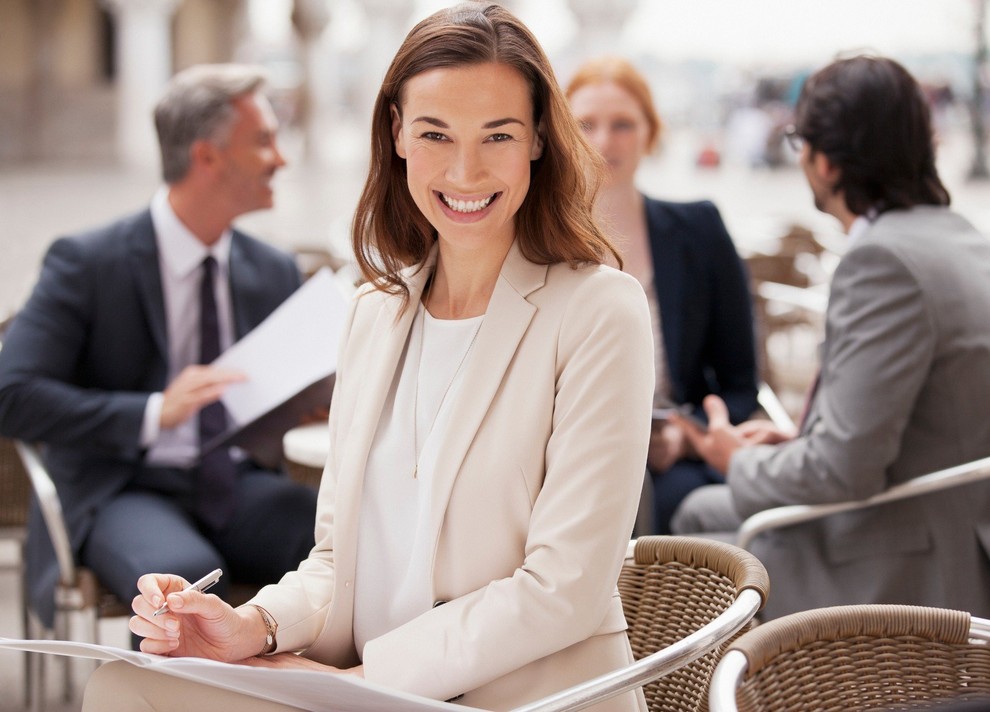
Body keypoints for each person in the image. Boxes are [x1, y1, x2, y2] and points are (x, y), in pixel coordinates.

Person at [82, 3, 654, 711]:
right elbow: (335, 561)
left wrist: (358, 682)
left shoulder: (601, 311)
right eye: (435, 133)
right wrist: (251, 626)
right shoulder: (373, 314)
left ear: (538, 138)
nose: (466, 170)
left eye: (497, 135)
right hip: (357, 686)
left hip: (515, 697)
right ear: (398, 135)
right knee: (126, 685)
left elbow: (563, 591)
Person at [0, 63, 319, 633]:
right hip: (123, 488)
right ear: (207, 156)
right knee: (184, 586)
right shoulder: (86, 262)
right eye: (264, 140)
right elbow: (11, 393)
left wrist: (314, 400)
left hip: (239, 483)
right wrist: (153, 412)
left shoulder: (272, 269)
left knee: (351, 547)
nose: (281, 157)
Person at [671, 55, 990, 620]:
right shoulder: (961, 237)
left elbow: (843, 470)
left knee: (694, 515)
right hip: (952, 518)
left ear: (824, 161)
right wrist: (796, 443)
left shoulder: (882, 260)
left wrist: (732, 458)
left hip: (913, 554)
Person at [565, 57, 759, 534]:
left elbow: (740, 383)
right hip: (570, 457)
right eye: (585, 125)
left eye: (623, 125)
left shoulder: (700, 229)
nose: (604, 141)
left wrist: (686, 433)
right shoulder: (536, 244)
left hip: (672, 460)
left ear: (651, 134)